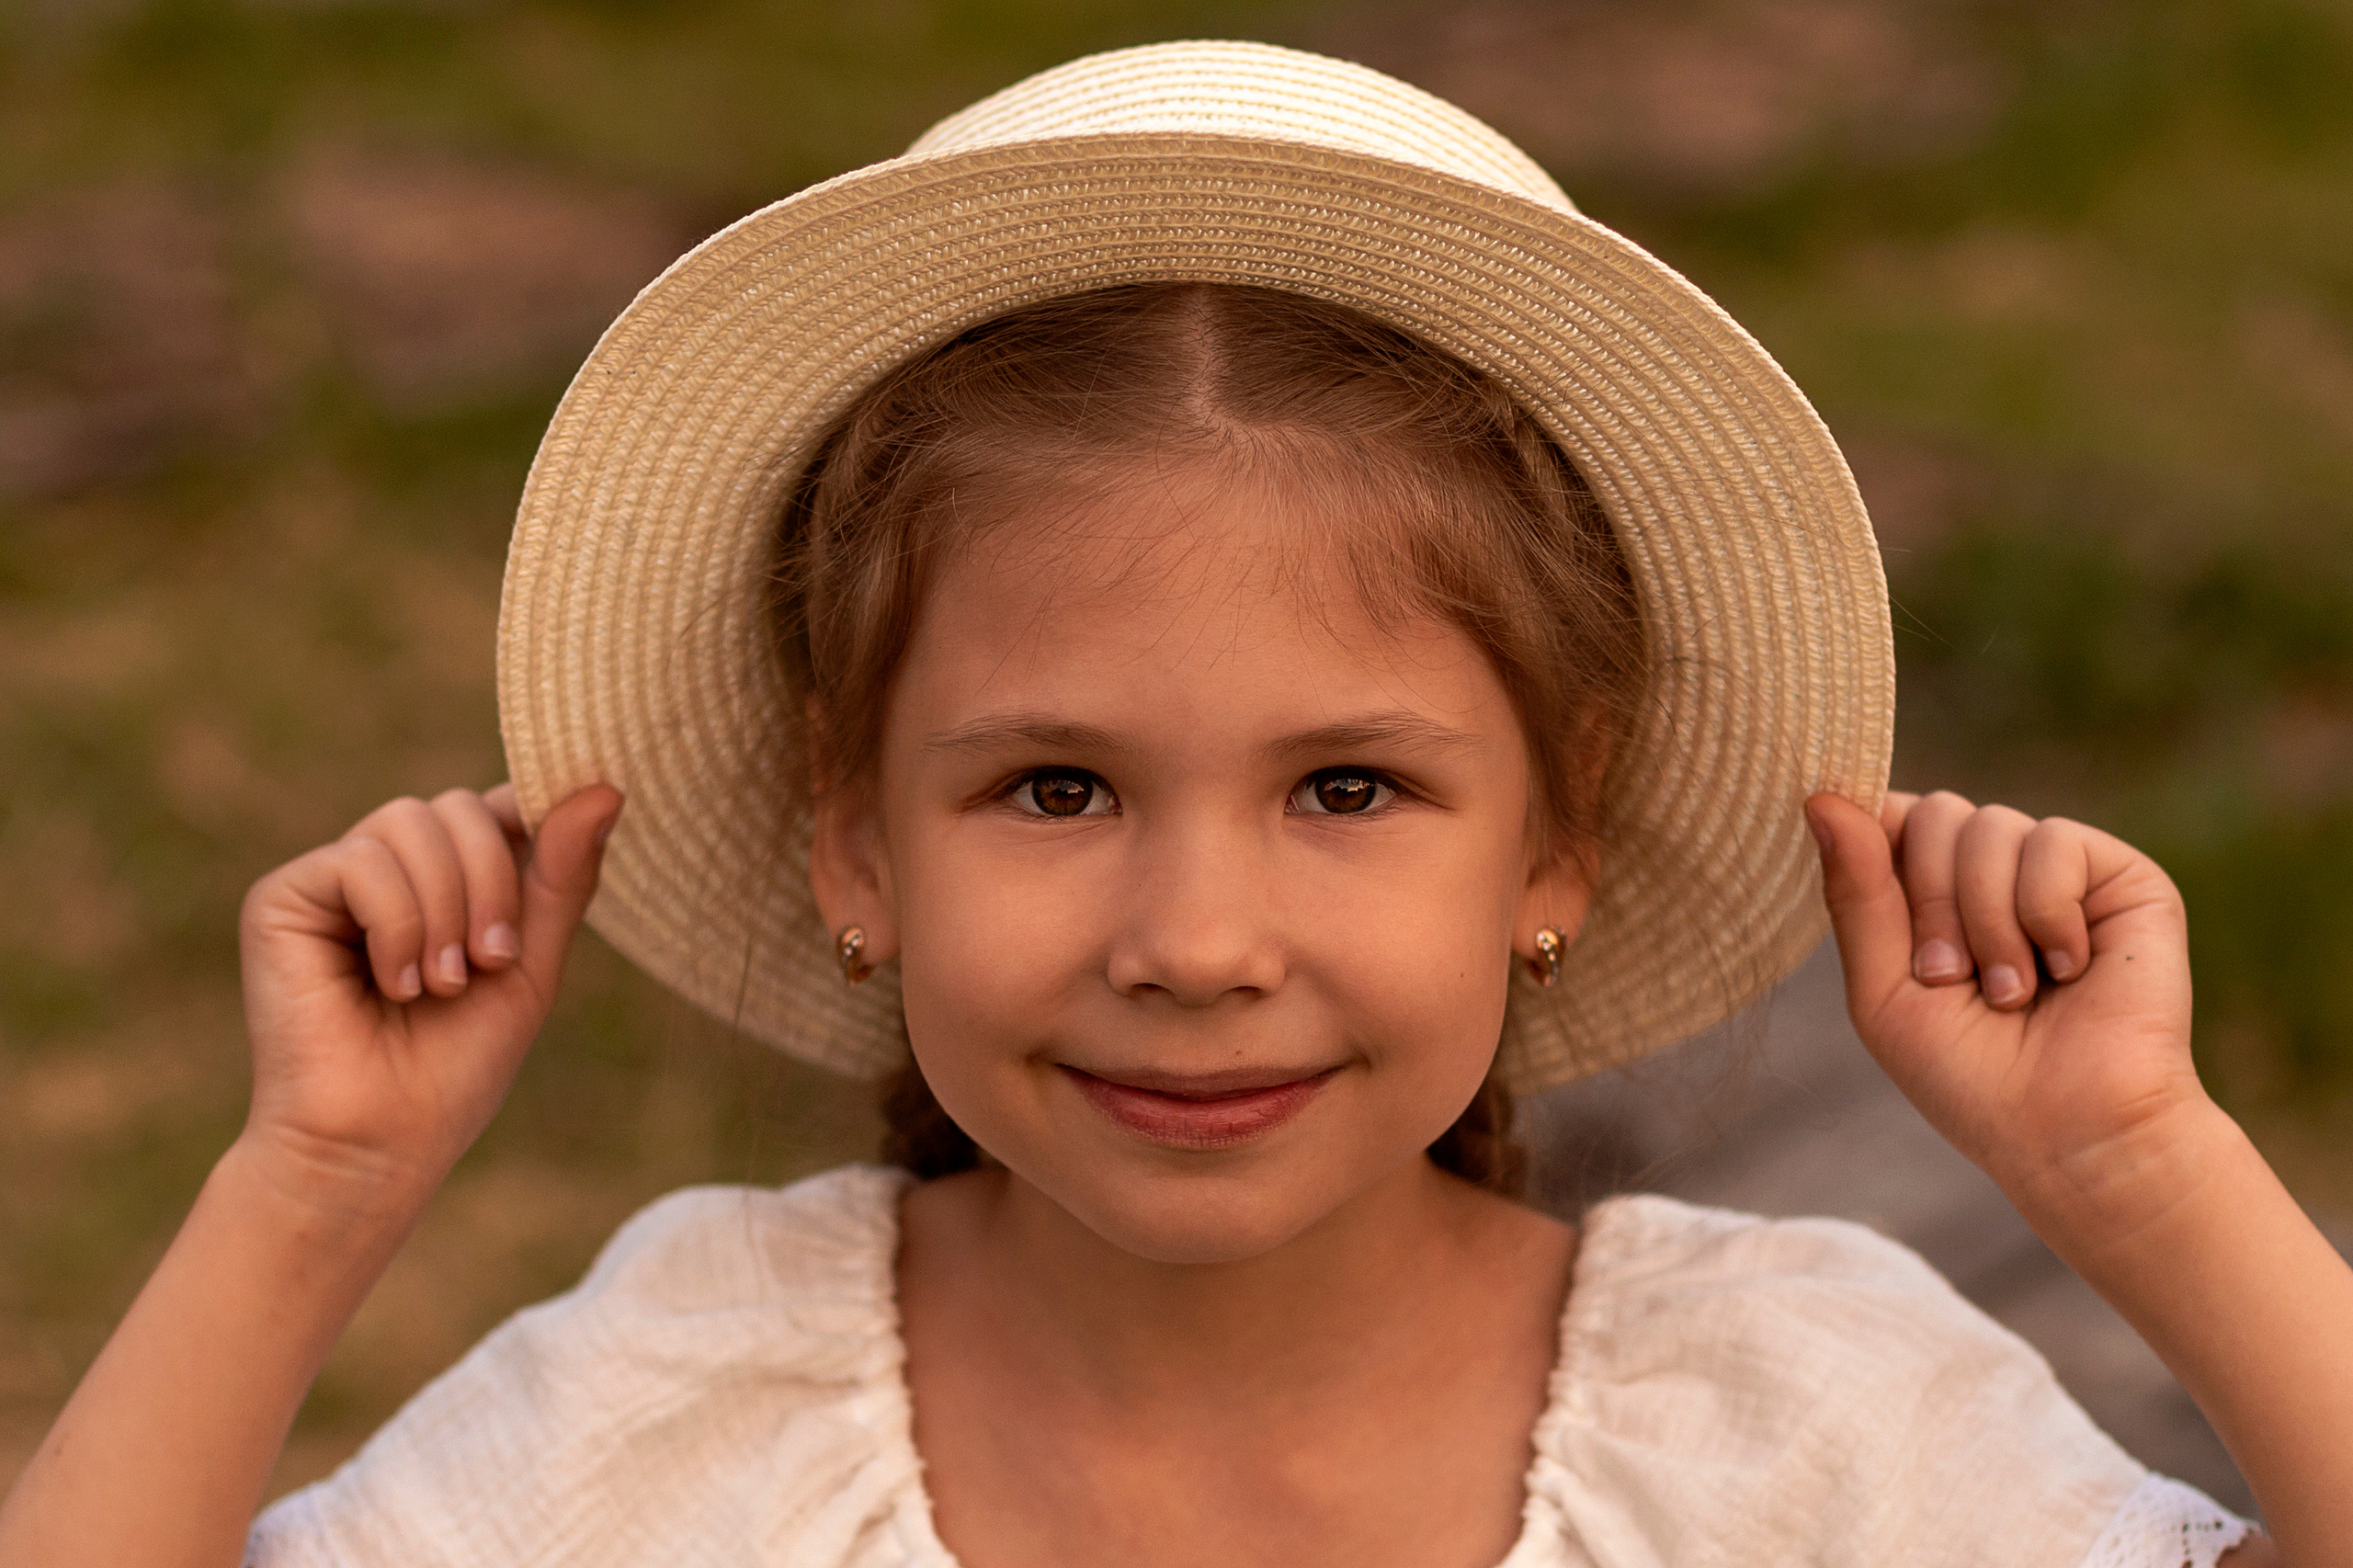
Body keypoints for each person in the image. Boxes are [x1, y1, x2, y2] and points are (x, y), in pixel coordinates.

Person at [2, 41, 2346, 1568]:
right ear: (851, 842)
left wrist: (2134, 1167)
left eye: (1345, 784)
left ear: (1551, 840)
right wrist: (313, 1186)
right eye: (1051, 784)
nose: (1194, 936)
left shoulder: (1785, 1423)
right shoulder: (689, 1406)